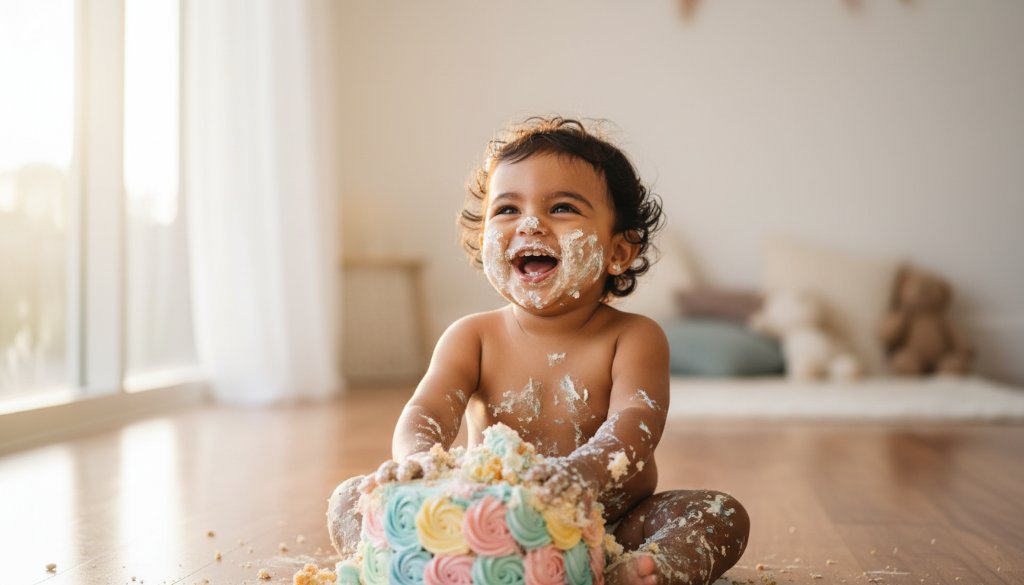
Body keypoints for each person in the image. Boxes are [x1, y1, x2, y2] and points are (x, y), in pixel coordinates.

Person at [327, 117, 749, 585]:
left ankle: (640, 574)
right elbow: (427, 409)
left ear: (619, 252)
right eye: (506, 209)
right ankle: (399, 564)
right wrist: (418, 458)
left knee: (719, 513)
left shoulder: (634, 337)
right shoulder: (472, 336)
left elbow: (636, 424)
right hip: (486, 524)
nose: (529, 223)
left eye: (562, 207)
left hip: (608, 524)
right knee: (351, 497)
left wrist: (581, 473)